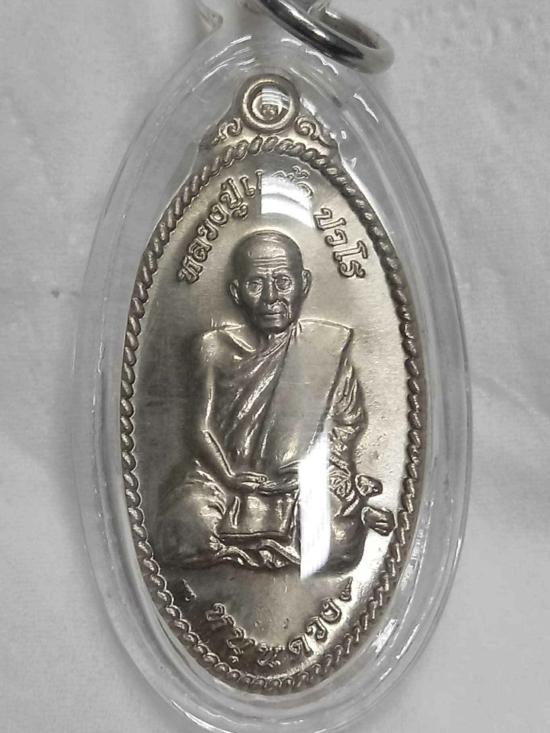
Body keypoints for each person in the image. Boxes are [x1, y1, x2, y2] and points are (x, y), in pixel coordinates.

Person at [157, 230, 393, 571]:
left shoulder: (325, 348)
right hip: (223, 481)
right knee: (182, 525)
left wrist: (333, 474)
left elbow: (347, 423)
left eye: (283, 281)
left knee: (338, 542)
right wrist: (229, 476)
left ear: (304, 284)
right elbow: (200, 428)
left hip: (299, 484)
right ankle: (267, 550)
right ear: (236, 292)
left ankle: (261, 546)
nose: (271, 297)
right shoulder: (213, 348)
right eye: (256, 284)